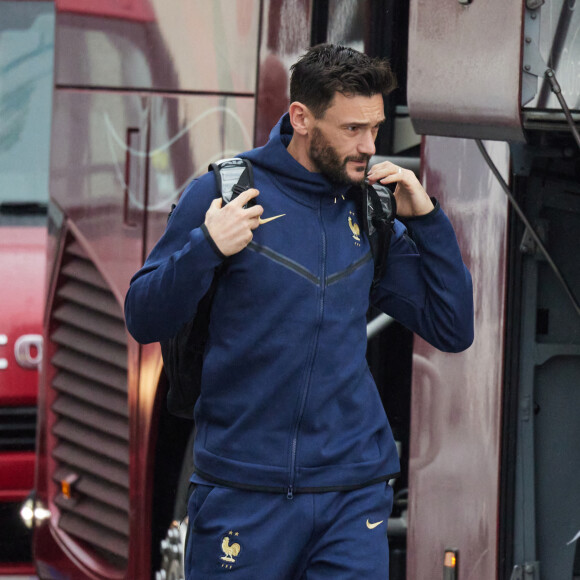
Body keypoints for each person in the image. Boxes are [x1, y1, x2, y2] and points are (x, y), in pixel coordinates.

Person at [125, 44, 474, 579]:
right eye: (352, 129)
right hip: (242, 491)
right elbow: (143, 317)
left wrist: (427, 220)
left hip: (352, 493)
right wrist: (207, 248)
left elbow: (453, 328)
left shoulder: (371, 210)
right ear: (301, 118)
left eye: (375, 129)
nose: (369, 147)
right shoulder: (224, 193)